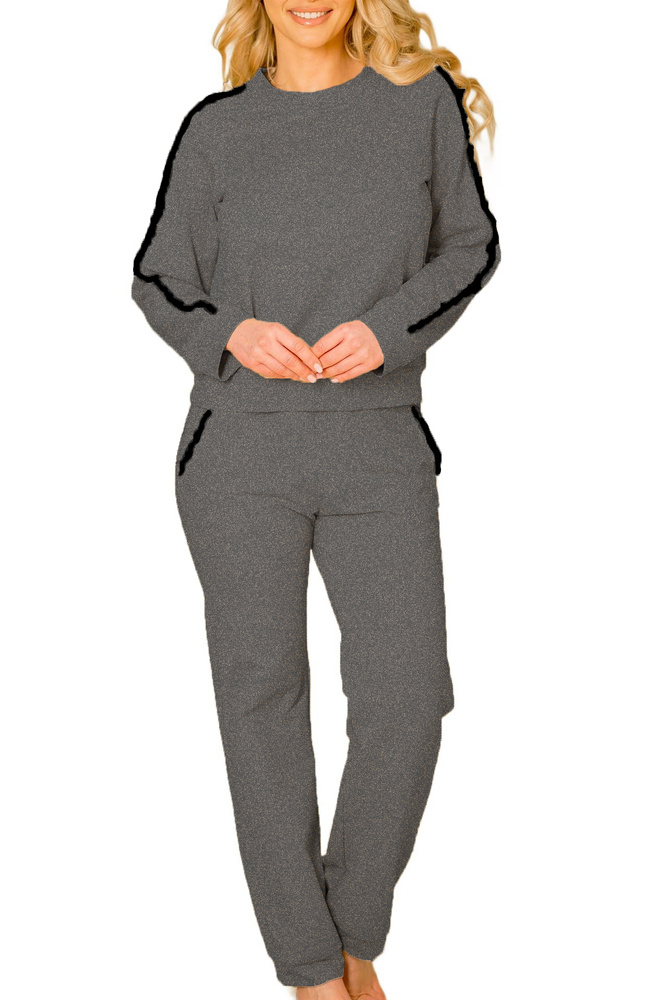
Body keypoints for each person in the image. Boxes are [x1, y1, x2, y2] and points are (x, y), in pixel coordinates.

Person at [130, 0, 501, 996]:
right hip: (238, 449)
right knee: (261, 702)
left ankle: (350, 936)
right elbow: (157, 278)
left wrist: (387, 329)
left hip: (377, 444)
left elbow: (469, 247)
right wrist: (229, 333)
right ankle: (311, 972)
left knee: (408, 695)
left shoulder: (418, 105)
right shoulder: (217, 130)